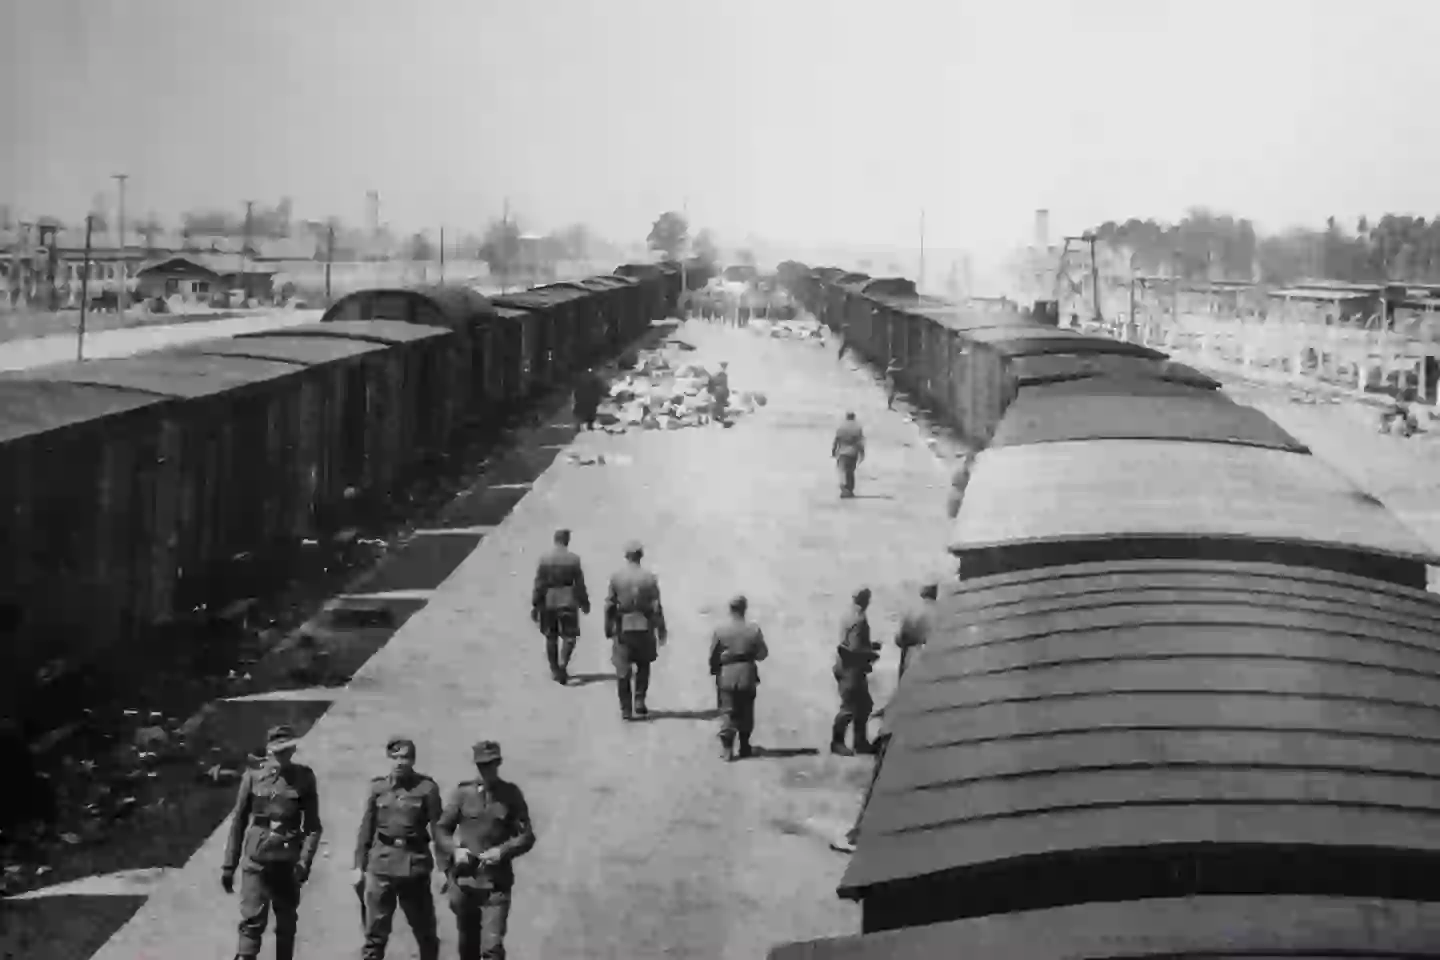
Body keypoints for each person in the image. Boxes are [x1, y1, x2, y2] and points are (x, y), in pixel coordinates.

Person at [220, 724, 323, 960]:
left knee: (286, 925)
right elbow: (239, 822)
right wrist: (229, 866)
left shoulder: (304, 778)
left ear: (294, 749)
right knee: (251, 922)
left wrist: (304, 863)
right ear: (269, 750)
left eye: (286, 750)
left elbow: (313, 827)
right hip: (256, 862)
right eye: (277, 750)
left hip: (287, 865)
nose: (281, 756)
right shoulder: (253, 777)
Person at [436, 741, 537, 960]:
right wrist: (454, 851)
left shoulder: (511, 795)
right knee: (468, 947)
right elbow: (442, 829)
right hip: (465, 884)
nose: (486, 770)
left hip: (496, 884)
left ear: (498, 764)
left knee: (492, 948)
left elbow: (526, 836)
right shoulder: (462, 794)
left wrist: (502, 851)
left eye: (490, 765)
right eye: (482, 766)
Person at [354, 736, 444, 960]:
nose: (400, 762)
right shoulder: (378, 788)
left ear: (413, 760)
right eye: (396, 757)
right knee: (375, 933)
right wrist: (358, 866)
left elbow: (439, 830)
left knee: (425, 932)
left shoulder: (427, 789)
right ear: (389, 759)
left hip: (414, 866)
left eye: (405, 757)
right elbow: (366, 829)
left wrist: (443, 869)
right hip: (381, 865)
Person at [605, 541, 668, 720]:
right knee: (643, 664)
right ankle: (639, 700)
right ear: (641, 556)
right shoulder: (649, 578)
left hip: (623, 625)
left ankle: (626, 708)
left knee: (622, 668)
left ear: (627, 556)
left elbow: (610, 604)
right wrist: (661, 628)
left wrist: (608, 626)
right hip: (645, 624)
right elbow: (656, 606)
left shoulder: (617, 577)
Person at [708, 595, 769, 761]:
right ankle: (744, 746)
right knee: (746, 711)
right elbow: (763, 654)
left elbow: (713, 655)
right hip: (747, 674)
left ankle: (727, 749)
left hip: (727, 674)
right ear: (745, 609)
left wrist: (715, 670)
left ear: (730, 609)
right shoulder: (753, 629)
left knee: (727, 711)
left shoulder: (721, 630)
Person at [531, 529, 591, 685]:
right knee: (570, 636)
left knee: (551, 636)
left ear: (555, 540)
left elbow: (539, 583)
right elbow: (579, 584)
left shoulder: (545, 559)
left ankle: (554, 668)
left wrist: (536, 604)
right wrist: (584, 602)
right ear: (567, 540)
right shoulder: (573, 559)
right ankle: (563, 664)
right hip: (568, 599)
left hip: (549, 599)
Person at [831, 588, 880, 756]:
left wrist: (870, 645)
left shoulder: (848, 614)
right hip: (851, 668)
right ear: (865, 600)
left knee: (863, 705)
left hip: (845, 665)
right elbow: (854, 649)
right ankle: (838, 743)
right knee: (849, 707)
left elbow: (850, 641)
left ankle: (860, 742)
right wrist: (871, 654)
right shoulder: (859, 620)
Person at [895, 584, 938, 680]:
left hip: (913, 657)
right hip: (934, 659)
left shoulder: (914, 610)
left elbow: (900, 638)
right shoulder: (941, 611)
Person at [832, 412, 866, 499]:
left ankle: (844, 489)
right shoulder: (857, 428)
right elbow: (860, 442)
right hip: (853, 453)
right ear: (854, 417)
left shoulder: (841, 427)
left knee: (842, 470)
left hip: (842, 452)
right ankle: (849, 490)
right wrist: (862, 453)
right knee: (850, 471)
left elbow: (837, 440)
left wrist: (834, 450)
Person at [573, 367, 606, 431]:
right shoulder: (598, 380)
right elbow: (602, 392)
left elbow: (576, 393)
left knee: (582, 422)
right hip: (590, 406)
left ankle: (581, 430)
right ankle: (587, 428)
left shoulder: (580, 378)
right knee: (589, 421)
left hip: (582, 406)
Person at [946, 451, 978, 519]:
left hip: (958, 492)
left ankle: (951, 517)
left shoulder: (963, 471)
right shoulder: (962, 471)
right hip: (957, 492)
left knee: (953, 511)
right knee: (953, 511)